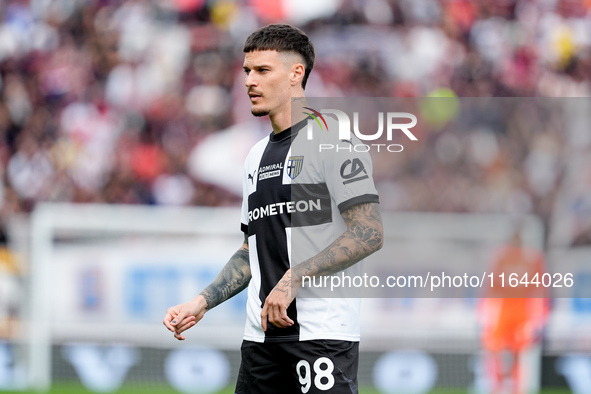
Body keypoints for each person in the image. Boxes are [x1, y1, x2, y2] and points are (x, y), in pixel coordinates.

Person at [163, 24, 383, 394]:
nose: (250, 81)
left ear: (297, 74)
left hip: (321, 337)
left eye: (263, 71)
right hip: (260, 341)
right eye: (247, 71)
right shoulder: (255, 156)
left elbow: (369, 232)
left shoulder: (335, 140)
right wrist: (202, 301)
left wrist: (293, 278)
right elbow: (253, 250)